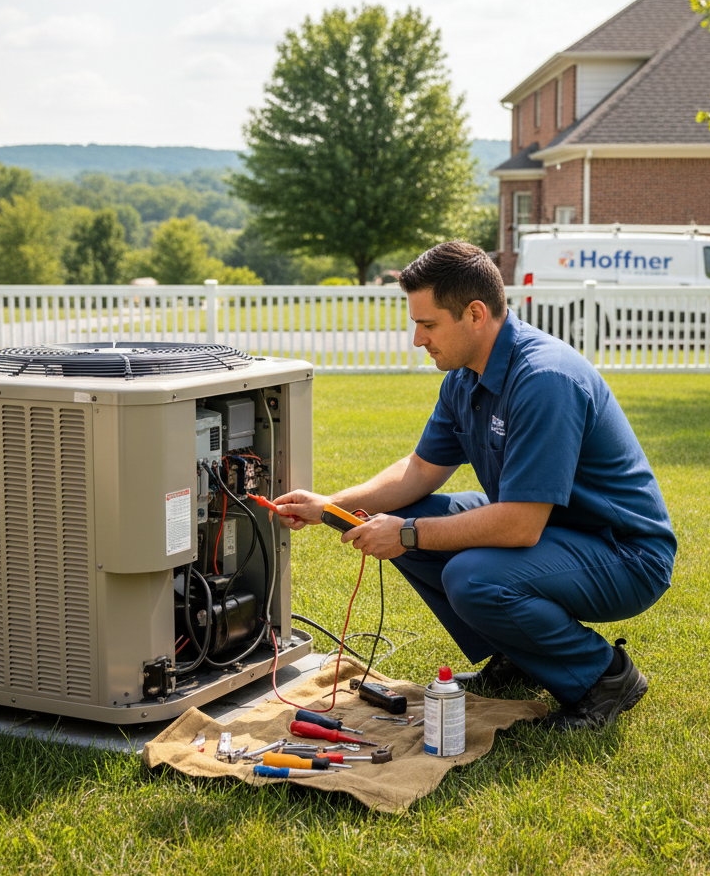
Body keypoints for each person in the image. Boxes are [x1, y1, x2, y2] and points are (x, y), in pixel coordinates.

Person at [273, 241, 676, 729]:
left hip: (622, 554)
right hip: (555, 531)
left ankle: (603, 678)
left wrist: (405, 533)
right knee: (421, 517)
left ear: (476, 314)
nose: (417, 339)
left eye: (428, 324)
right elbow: (419, 471)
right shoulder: (465, 378)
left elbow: (521, 525)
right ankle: (520, 654)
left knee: (470, 574)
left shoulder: (544, 379)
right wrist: (329, 505)